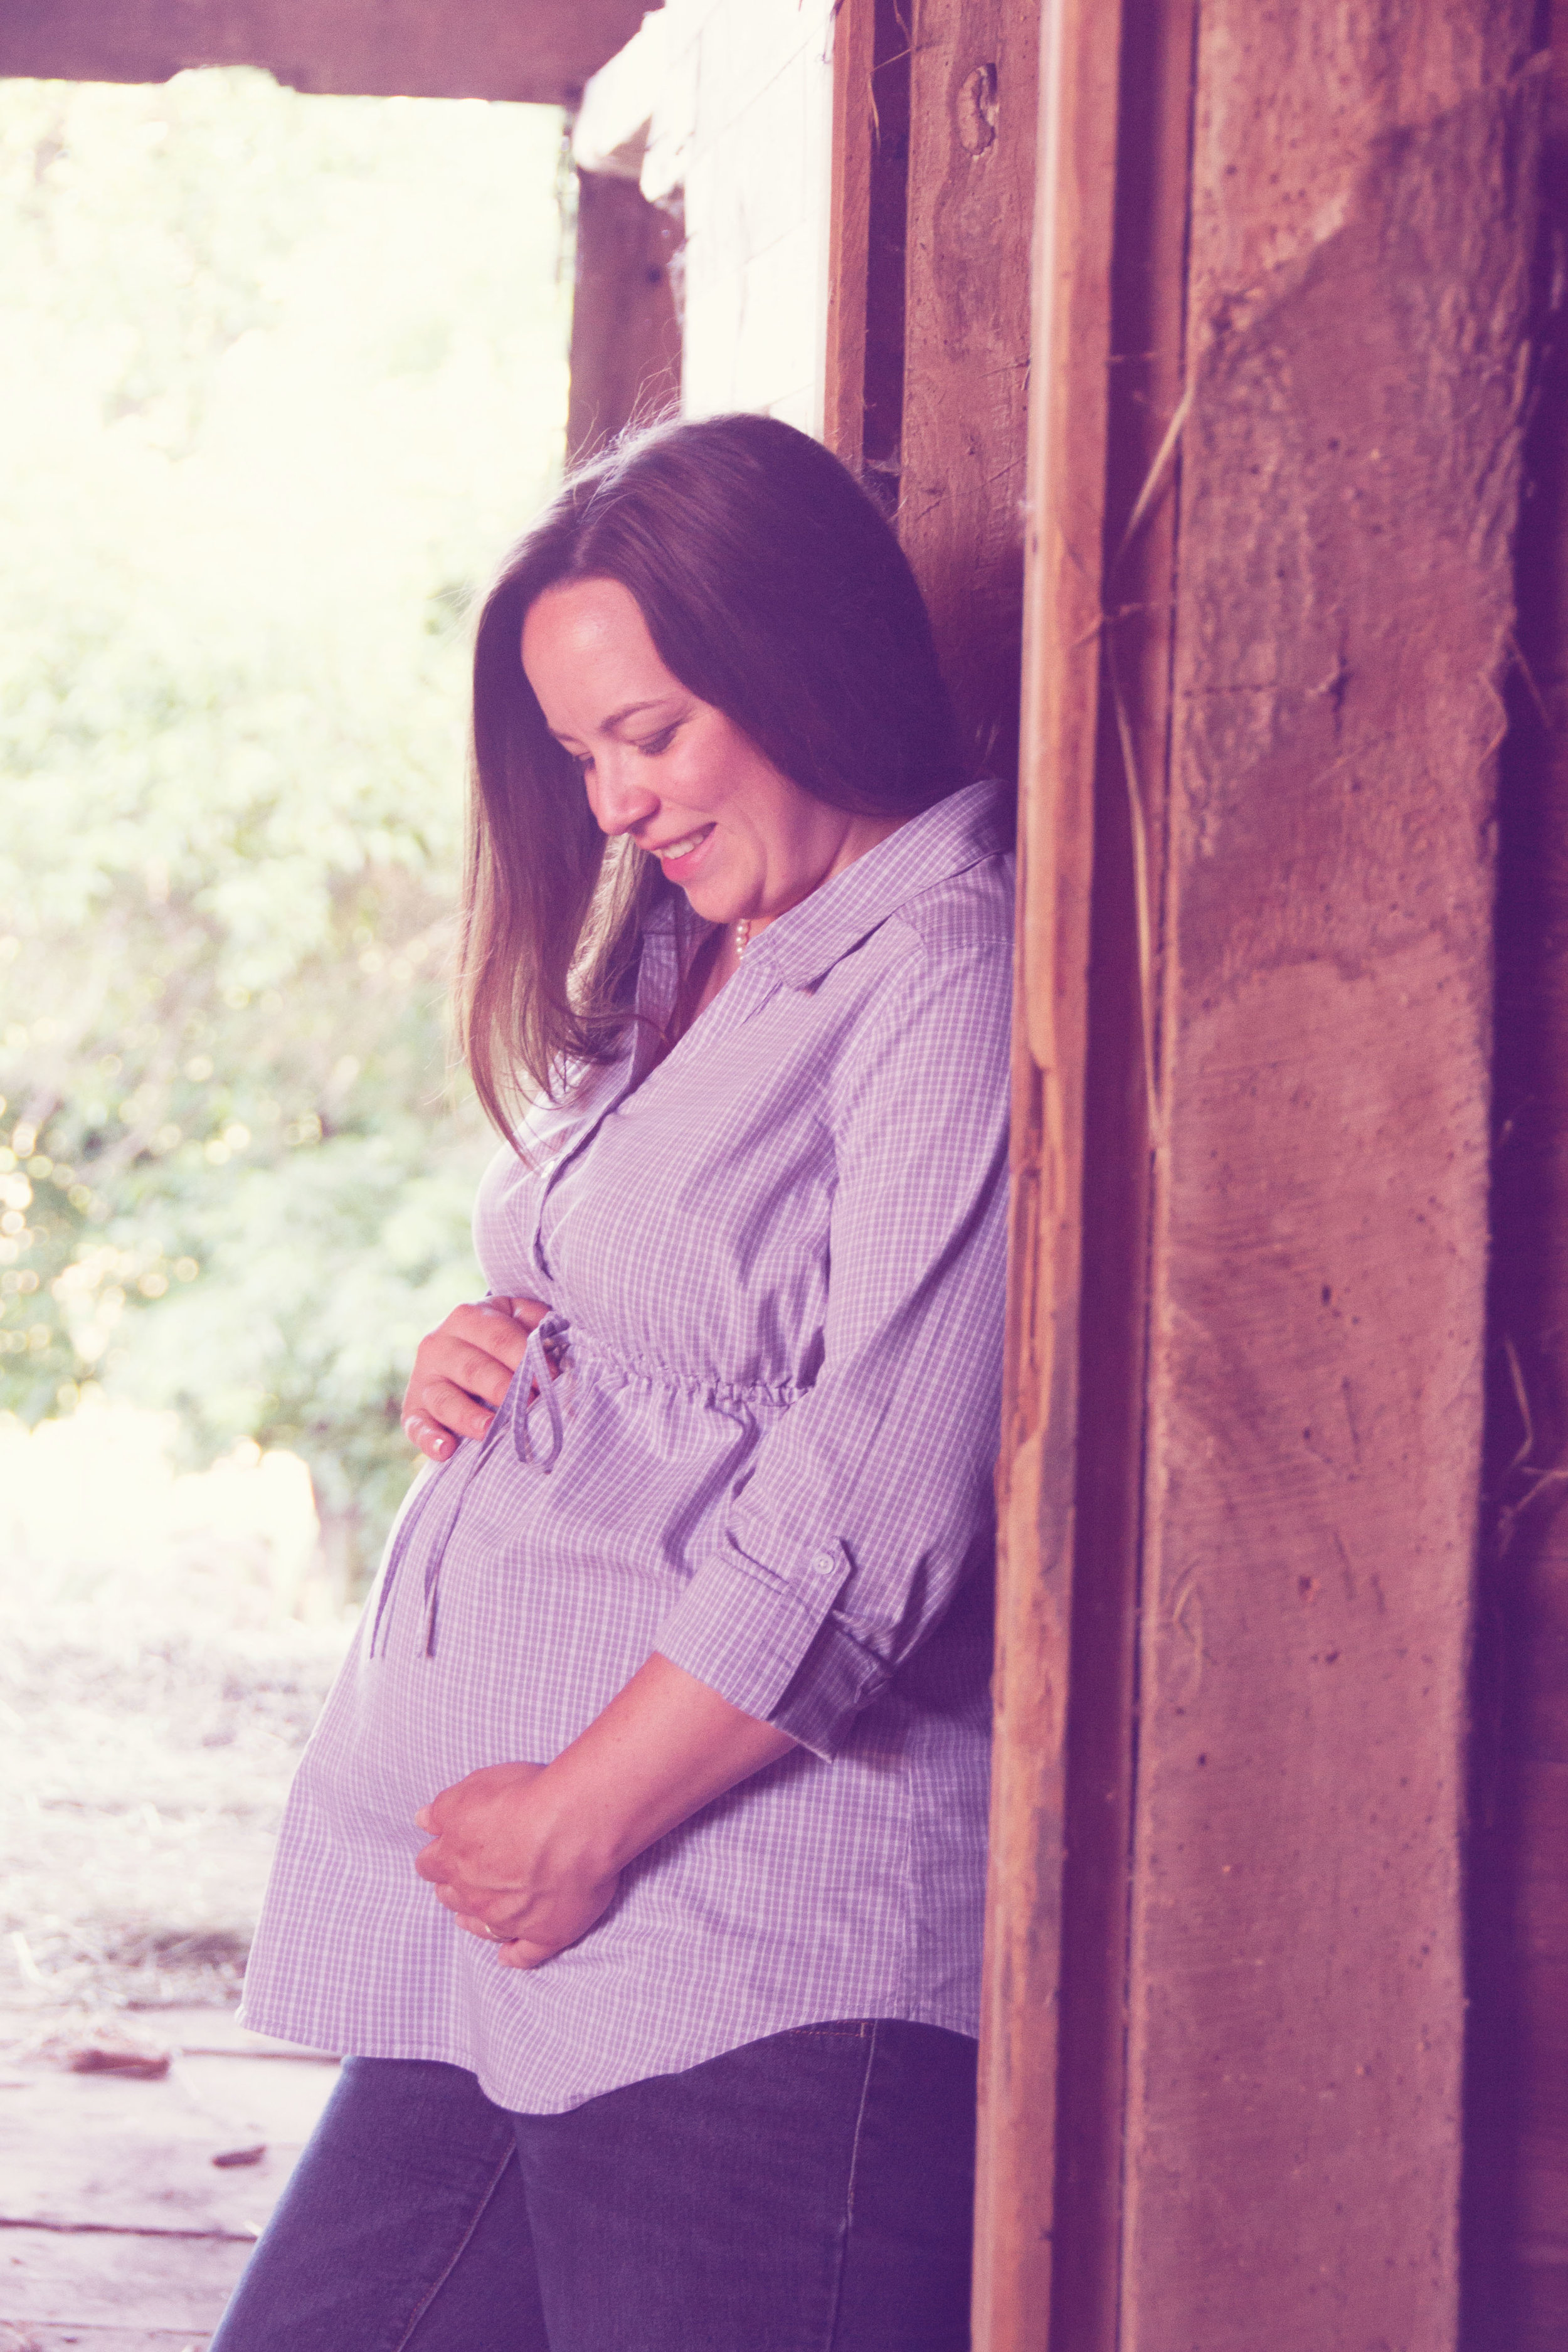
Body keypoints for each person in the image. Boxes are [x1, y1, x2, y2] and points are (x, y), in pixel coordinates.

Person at [209, 412, 1014, 2352]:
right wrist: (500, 1348)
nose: (616, 803)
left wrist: (580, 1812)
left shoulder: (946, 973)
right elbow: (683, 1311)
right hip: (521, 1951)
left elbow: (879, 1496)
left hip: (747, 1954)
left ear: (795, 660)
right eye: (580, 757)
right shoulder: (700, 947)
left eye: (645, 734)